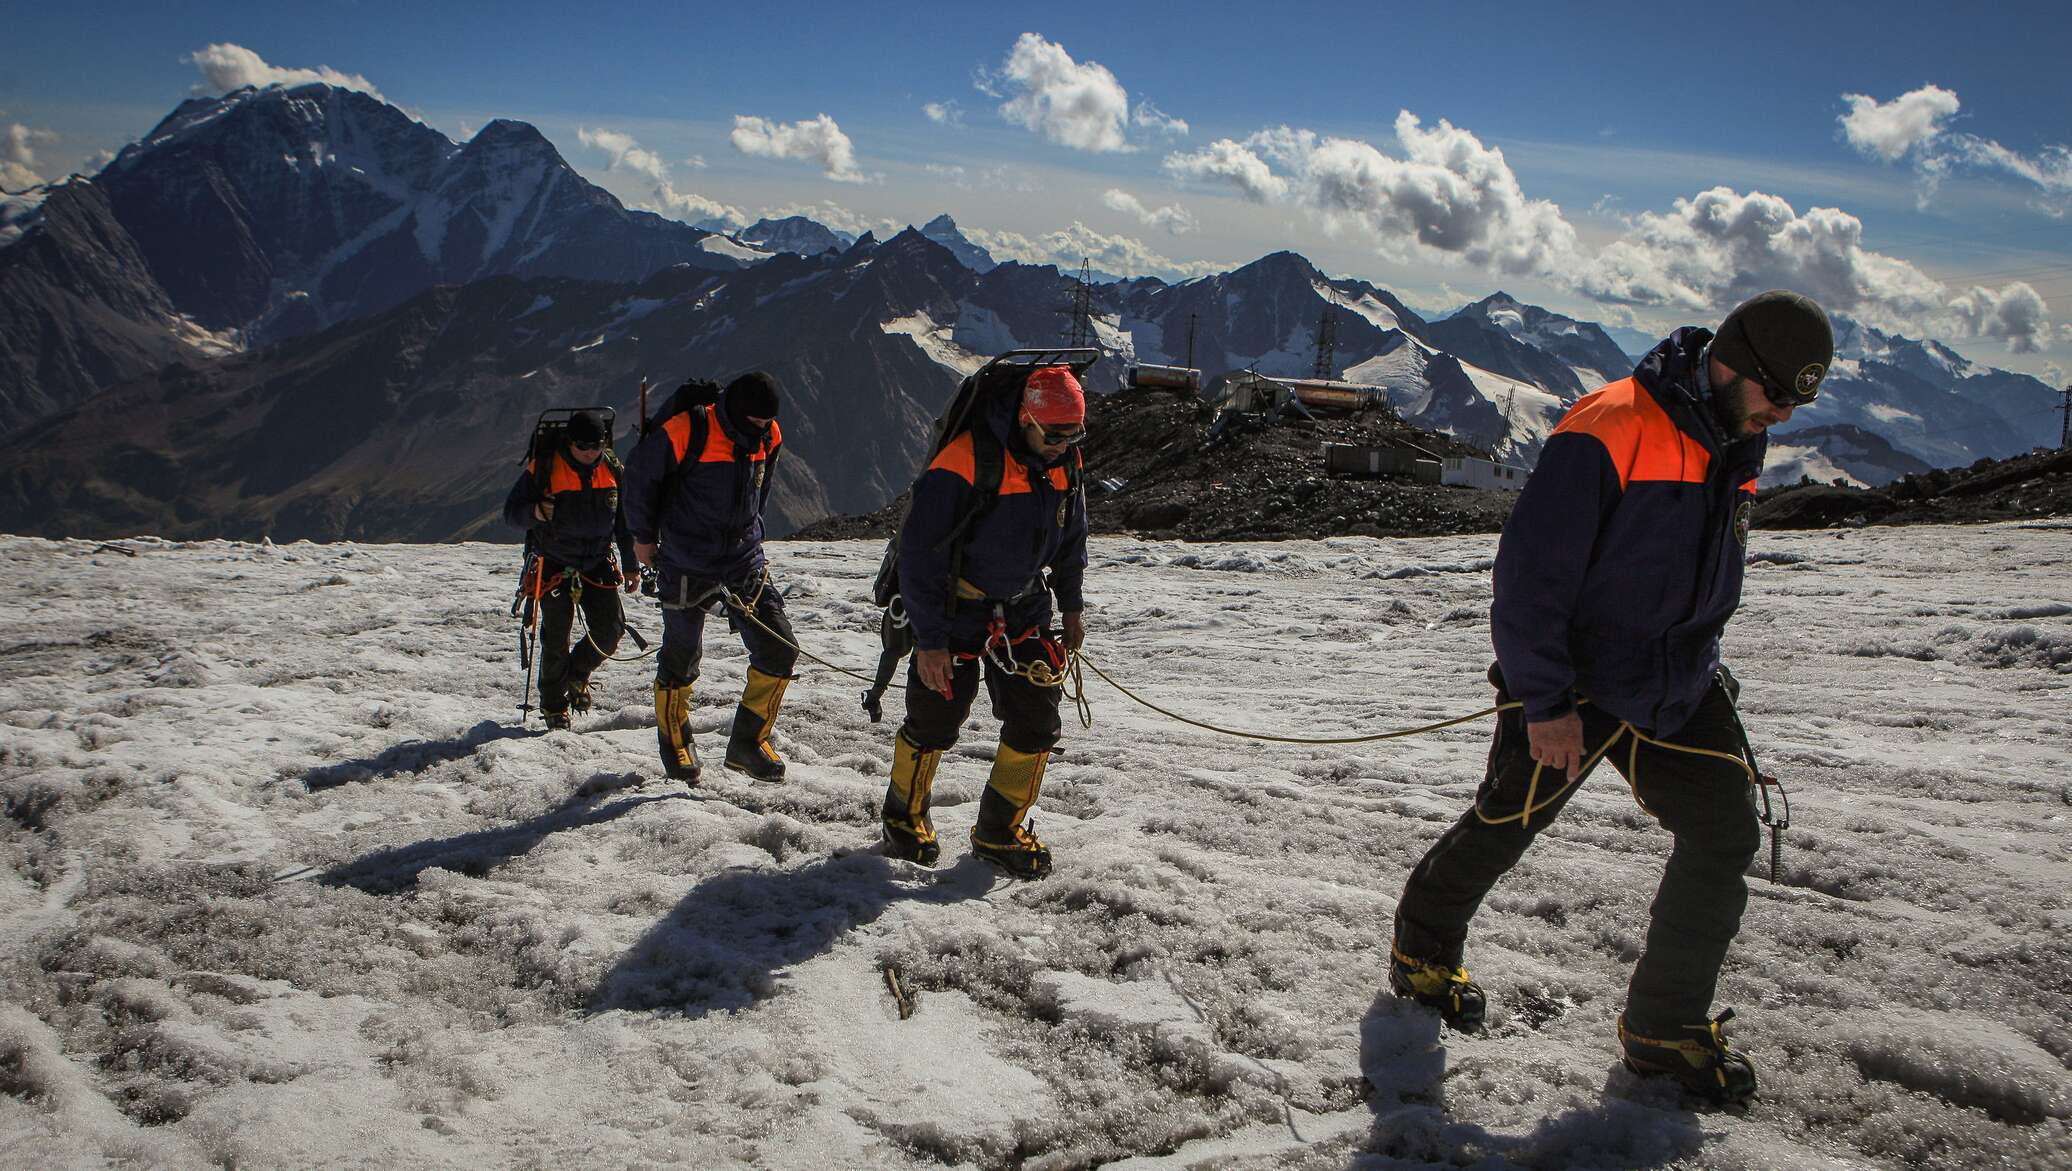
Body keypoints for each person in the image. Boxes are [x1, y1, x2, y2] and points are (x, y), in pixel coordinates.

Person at [1387, 291, 1833, 1105]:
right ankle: (1422, 952)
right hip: (1575, 686)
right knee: (1504, 821)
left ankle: (1663, 1029)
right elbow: (1529, 575)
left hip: (1675, 686)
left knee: (1724, 830)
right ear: (1733, 365)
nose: (1784, 416)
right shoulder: (1611, 424)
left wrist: (1704, 659)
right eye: (1778, 396)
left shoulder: (1736, 436)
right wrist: (1546, 698)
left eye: (1798, 402)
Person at [878, 365, 1089, 878]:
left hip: (1023, 611)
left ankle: (999, 832)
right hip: (953, 614)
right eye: (1055, 434)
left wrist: (1072, 605)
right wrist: (929, 641)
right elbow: (920, 555)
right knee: (934, 721)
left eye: (1074, 434)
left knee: (1037, 722)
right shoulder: (964, 461)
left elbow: (1070, 537)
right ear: (1025, 418)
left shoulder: (1063, 463)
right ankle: (903, 819)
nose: (1064, 444)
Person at [622, 371, 797, 784]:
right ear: (734, 411)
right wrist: (643, 540)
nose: (760, 430)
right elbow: (638, 481)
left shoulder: (769, 434)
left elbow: (762, 486)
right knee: (681, 657)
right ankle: (676, 745)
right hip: (685, 560)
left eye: (764, 423)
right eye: (753, 423)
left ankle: (747, 743)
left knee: (779, 649)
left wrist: (754, 532)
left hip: (742, 560)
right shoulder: (688, 430)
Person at [503, 410, 639, 730]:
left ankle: (576, 674)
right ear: (570, 443)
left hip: (597, 561)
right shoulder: (546, 469)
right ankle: (554, 705)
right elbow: (512, 513)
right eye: (584, 447)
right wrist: (535, 511)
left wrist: (632, 565)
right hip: (553, 563)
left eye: (597, 446)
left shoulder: (612, 469)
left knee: (611, 630)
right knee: (556, 638)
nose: (591, 453)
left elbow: (623, 522)